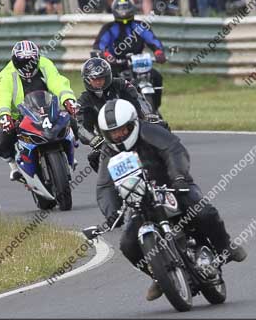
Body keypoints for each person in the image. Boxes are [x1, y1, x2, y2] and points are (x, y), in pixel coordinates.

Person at [95, 99, 247, 301]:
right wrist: (111, 213)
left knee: (204, 212)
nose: (118, 136)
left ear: (133, 123)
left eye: (122, 130)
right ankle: (159, 276)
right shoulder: (108, 151)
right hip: (140, 204)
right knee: (127, 244)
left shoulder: (150, 131)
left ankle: (225, 246)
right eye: (112, 133)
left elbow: (174, 151)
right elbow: (104, 185)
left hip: (173, 186)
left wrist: (178, 177)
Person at [0, 40, 77, 180]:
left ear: (37, 59)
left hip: (49, 110)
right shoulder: (5, 75)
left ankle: (69, 152)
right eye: (22, 63)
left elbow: (57, 82)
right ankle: (14, 166)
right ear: (14, 61)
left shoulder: (45, 64)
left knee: (73, 120)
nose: (27, 66)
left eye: (30, 61)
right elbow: (1, 97)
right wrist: (4, 116)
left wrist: (67, 99)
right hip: (20, 118)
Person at [76, 57, 158, 172]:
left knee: (160, 127)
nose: (98, 82)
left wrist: (148, 114)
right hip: (109, 141)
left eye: (101, 78)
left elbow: (138, 98)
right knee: (94, 157)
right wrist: (92, 138)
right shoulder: (84, 100)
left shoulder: (120, 84)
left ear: (108, 77)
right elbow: (80, 125)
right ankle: (111, 184)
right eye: (94, 79)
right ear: (87, 80)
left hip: (132, 130)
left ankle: (165, 169)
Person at [94, 0, 167, 97]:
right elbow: (100, 45)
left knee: (156, 77)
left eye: (126, 8)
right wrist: (107, 55)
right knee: (109, 83)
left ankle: (155, 109)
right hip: (116, 64)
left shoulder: (141, 26)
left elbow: (153, 40)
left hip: (138, 63)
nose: (123, 11)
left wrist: (159, 52)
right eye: (121, 8)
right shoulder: (108, 28)